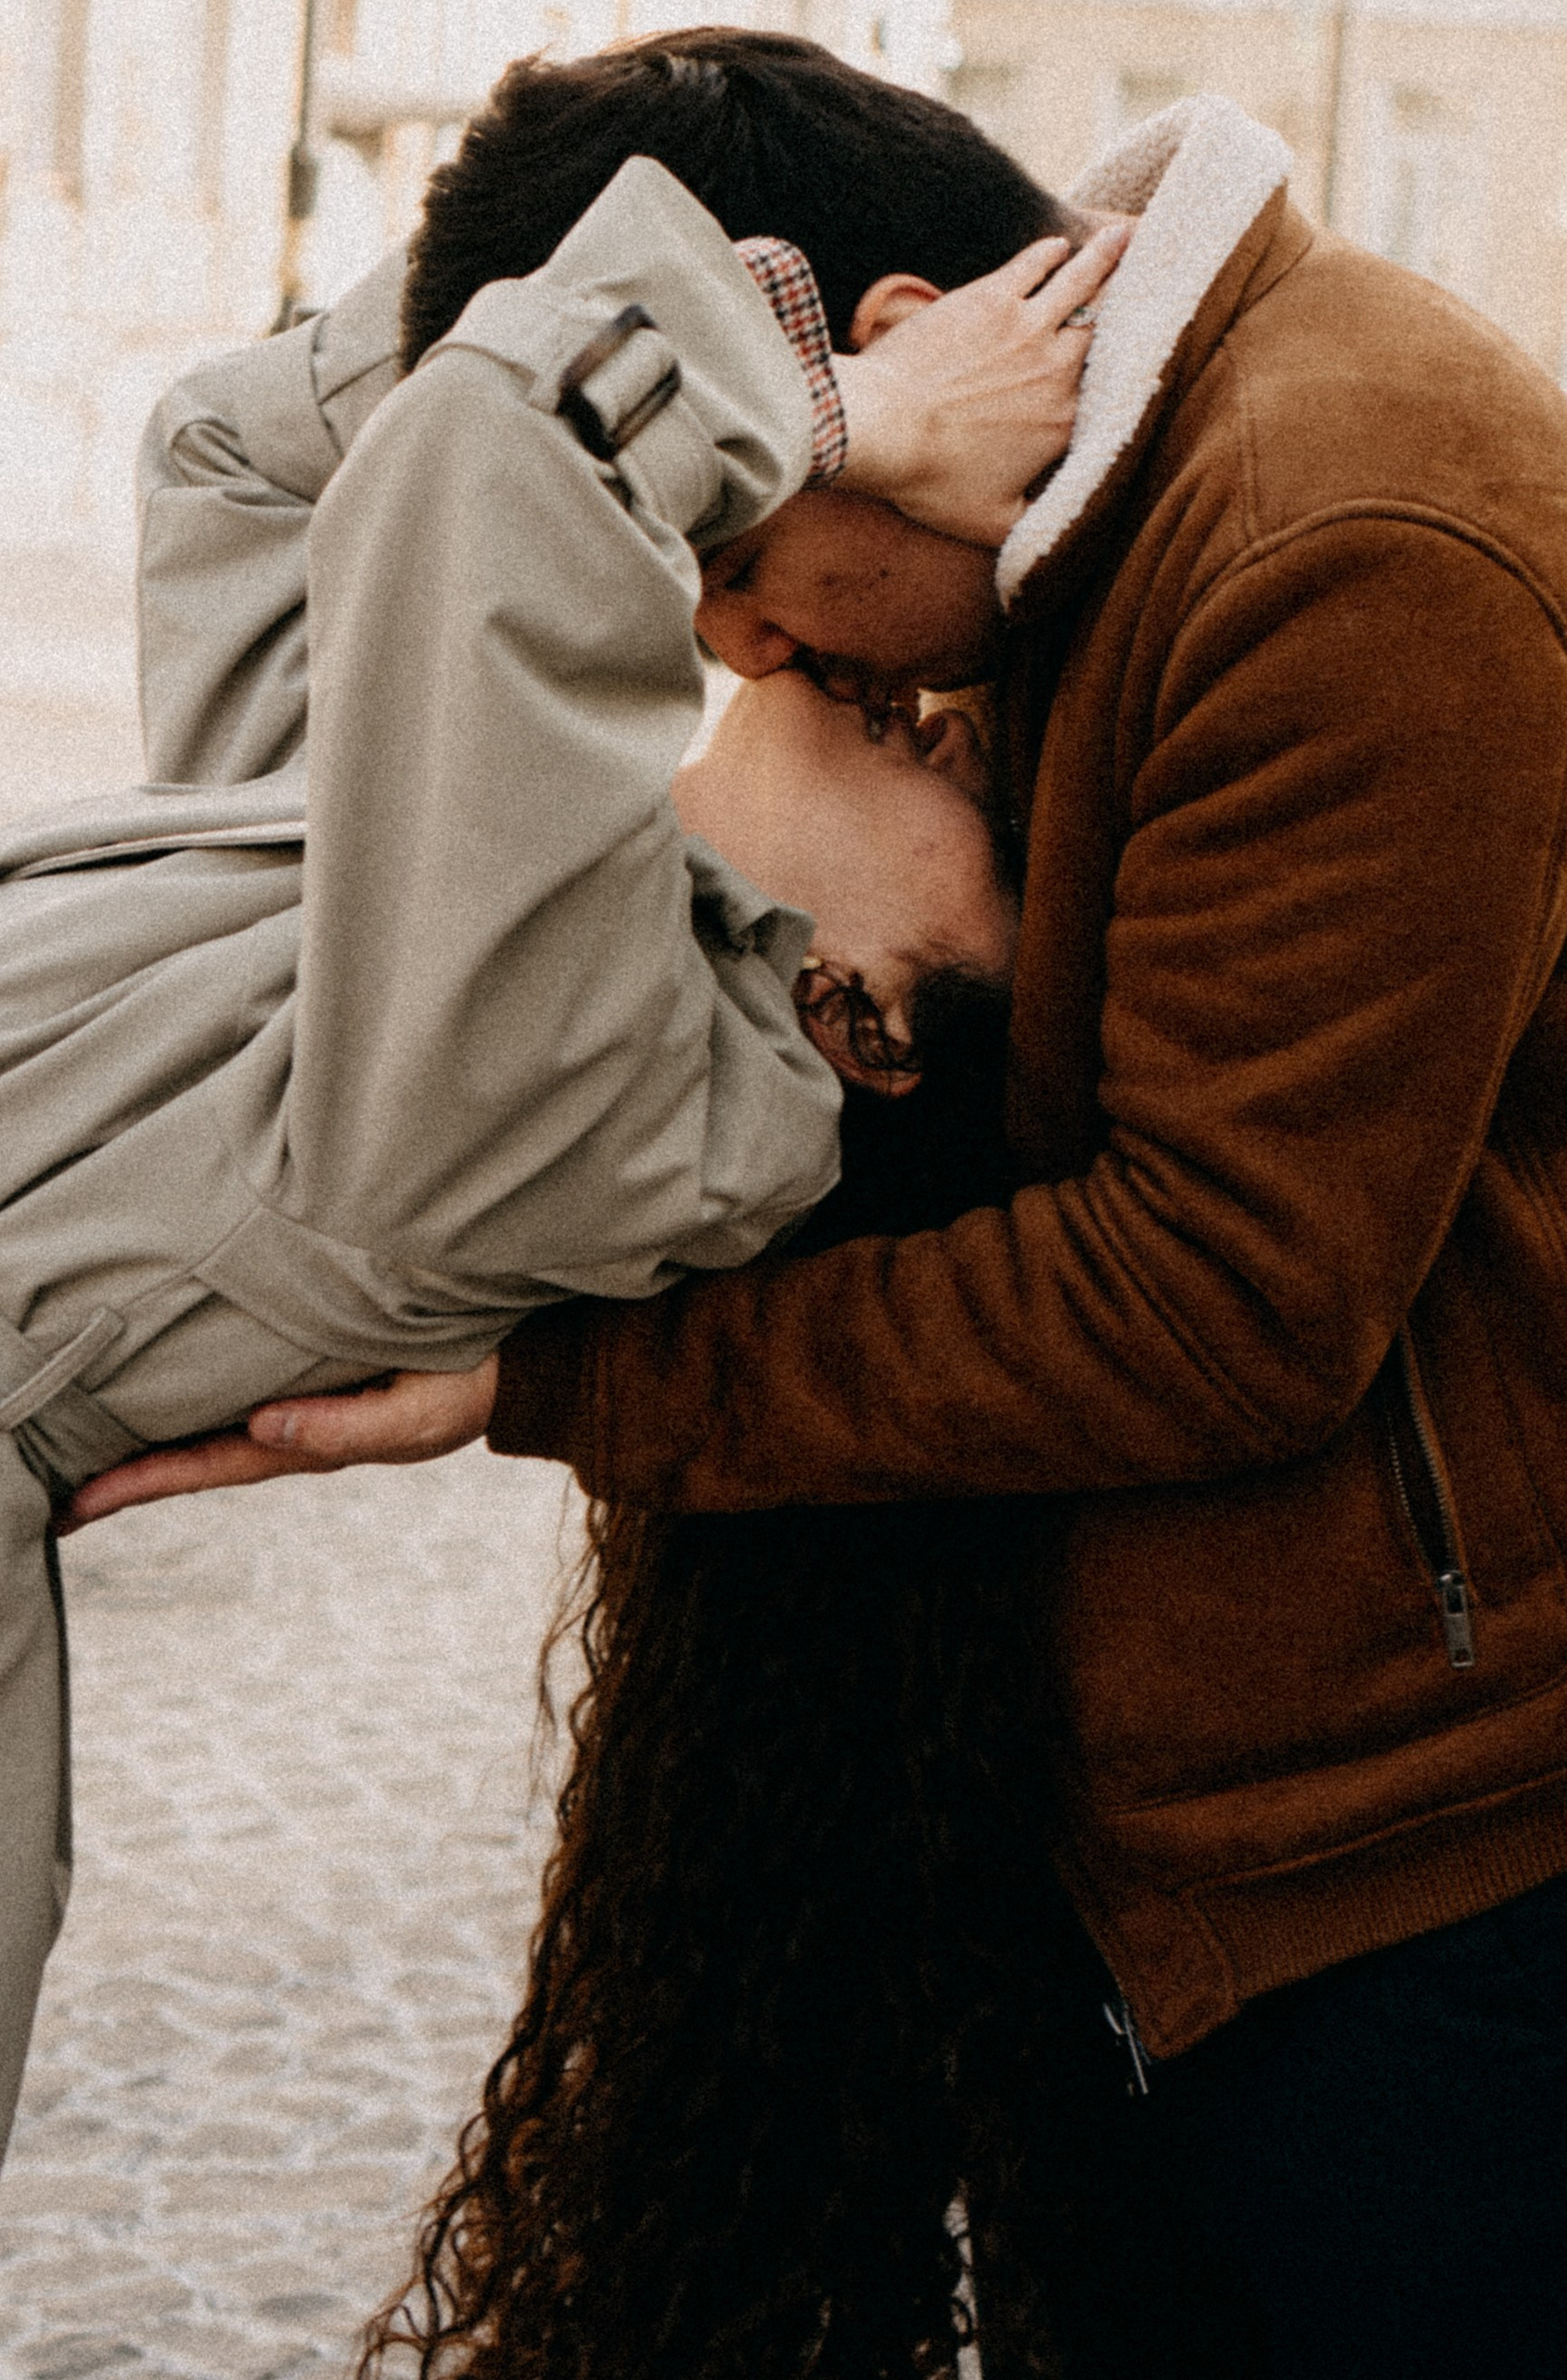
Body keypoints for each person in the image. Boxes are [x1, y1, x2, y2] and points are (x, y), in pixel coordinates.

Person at [87, 25, 1567, 2380]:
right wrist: (645, 366)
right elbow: (257, 444)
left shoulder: (1345, 542)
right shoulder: (1063, 506)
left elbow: (1212, 1296)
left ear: (907, 342)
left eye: (734, 559)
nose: (728, 643)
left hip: (1440, 1836)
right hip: (1177, 1788)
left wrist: (562, 1378)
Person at [2, 143, 1119, 2158]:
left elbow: (497, 464)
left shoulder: (606, 1107)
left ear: (866, 1029)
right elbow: (242, 464)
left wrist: (852, 413)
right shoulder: (464, 916)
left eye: (1001, 832)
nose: (958, 725)